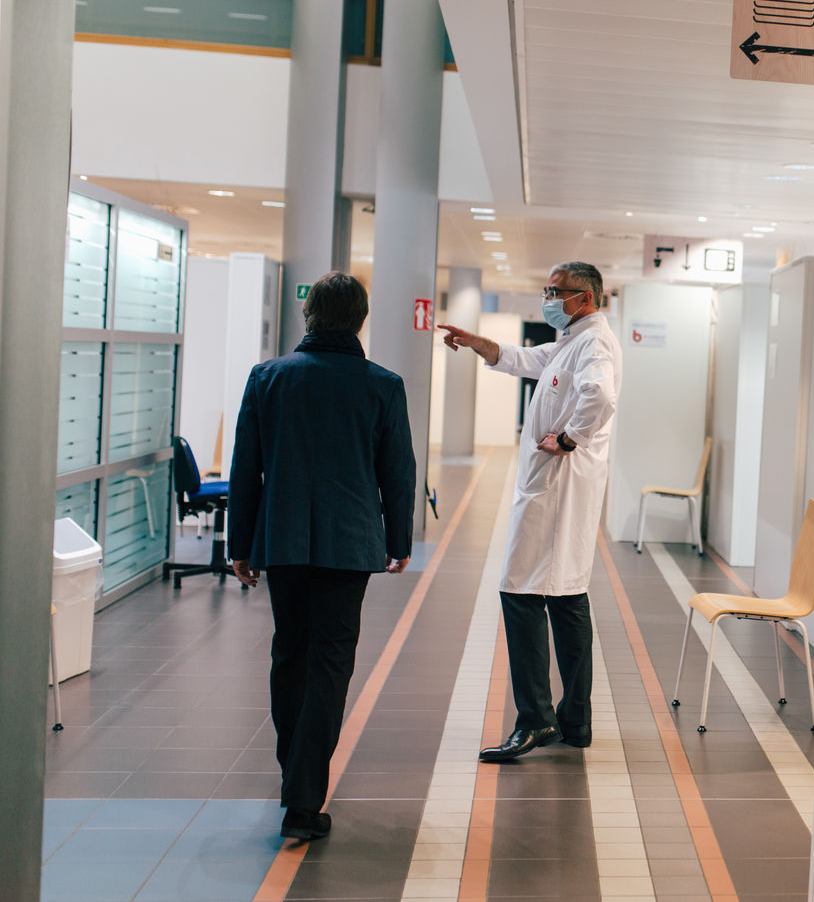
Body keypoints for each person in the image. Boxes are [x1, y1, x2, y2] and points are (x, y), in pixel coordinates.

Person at [227, 271, 415, 840]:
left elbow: (245, 468)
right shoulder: (382, 385)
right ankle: (304, 799)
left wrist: (240, 545)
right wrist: (399, 540)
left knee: (290, 652)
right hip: (348, 544)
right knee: (331, 662)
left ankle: (295, 772)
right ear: (361, 319)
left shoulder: (268, 377)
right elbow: (397, 472)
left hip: (282, 540)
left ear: (309, 315)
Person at [438, 261, 621, 761]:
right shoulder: (572, 340)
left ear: (585, 298)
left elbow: (600, 395)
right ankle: (575, 720)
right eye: (547, 290)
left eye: (556, 292)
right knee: (566, 596)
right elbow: (527, 358)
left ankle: (536, 720)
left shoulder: (594, 343)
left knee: (519, 591)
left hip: (557, 487)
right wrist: (479, 343)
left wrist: (569, 438)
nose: (549, 298)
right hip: (558, 488)